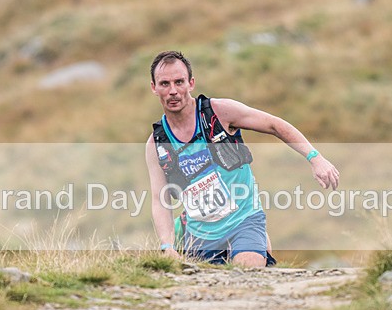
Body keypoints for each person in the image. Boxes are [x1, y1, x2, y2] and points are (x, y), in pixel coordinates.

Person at [145, 50, 339, 267]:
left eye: (179, 82)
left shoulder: (219, 112)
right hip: (202, 235)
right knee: (209, 290)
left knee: (246, 271)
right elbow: (159, 199)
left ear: (191, 83)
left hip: (244, 219)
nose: (173, 91)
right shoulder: (157, 143)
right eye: (164, 84)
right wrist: (167, 246)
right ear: (154, 87)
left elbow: (273, 124)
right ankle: (185, 233)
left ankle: (254, 241)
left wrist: (315, 157)